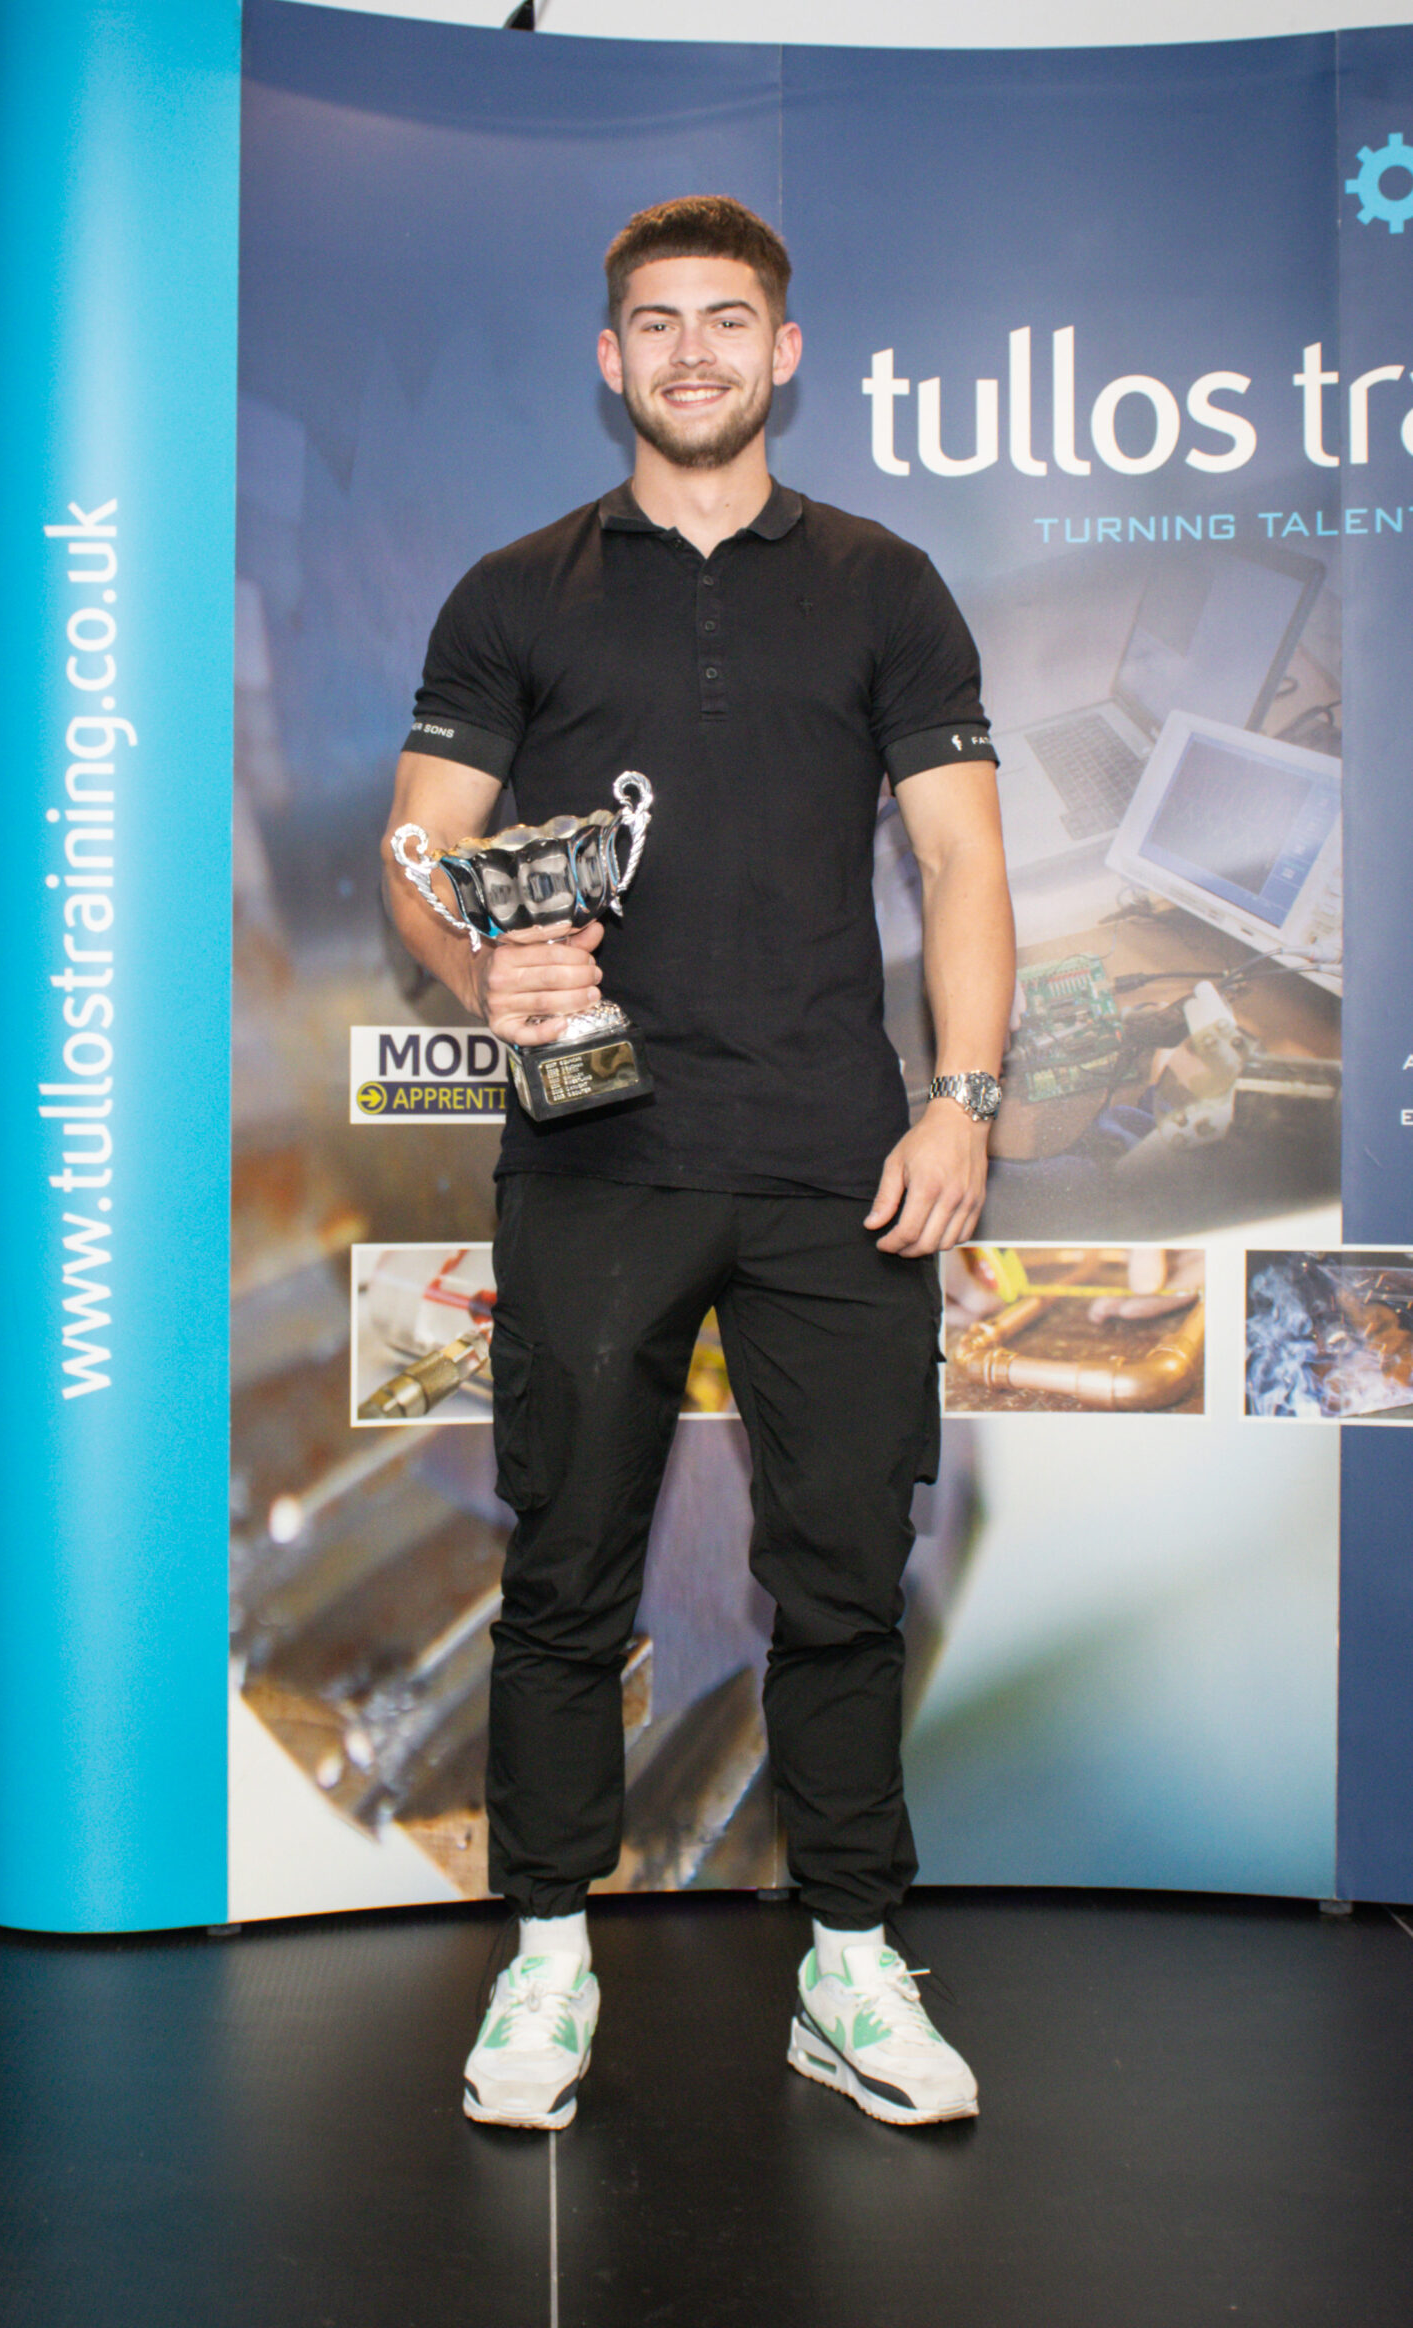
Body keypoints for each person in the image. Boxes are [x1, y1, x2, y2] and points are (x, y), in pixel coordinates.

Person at [381, 195, 1015, 2132]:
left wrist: (963, 1096)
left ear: (782, 349)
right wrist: (480, 966)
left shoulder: (887, 584)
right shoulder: (515, 591)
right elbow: (422, 853)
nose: (689, 352)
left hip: (837, 1156)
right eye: (654, 322)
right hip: (596, 1157)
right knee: (567, 1570)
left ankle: (850, 1959)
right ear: (609, 358)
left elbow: (963, 859)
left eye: (724, 319)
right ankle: (545, 1950)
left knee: (843, 1576)